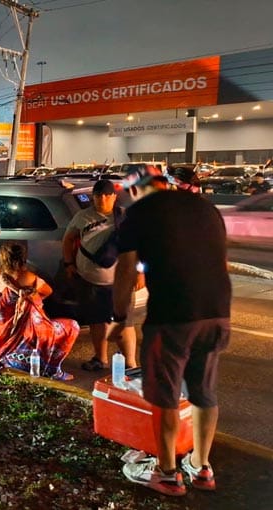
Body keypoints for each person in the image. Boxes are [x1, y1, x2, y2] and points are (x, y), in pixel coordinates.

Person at [115, 166, 231, 496]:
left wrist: (118, 315)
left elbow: (126, 269)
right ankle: (201, 466)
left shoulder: (139, 213)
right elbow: (220, 260)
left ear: (134, 190)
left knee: (164, 395)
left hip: (172, 315)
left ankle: (166, 474)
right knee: (203, 391)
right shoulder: (205, 208)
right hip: (216, 312)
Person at [0, 243, 79, 380]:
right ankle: (52, 370)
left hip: (0, 329)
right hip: (25, 331)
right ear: (22, 259)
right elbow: (48, 291)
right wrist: (32, 300)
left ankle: (10, 358)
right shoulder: (28, 277)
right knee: (72, 326)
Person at [62, 179, 137, 371]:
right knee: (96, 320)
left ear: (113, 196)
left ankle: (130, 363)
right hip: (90, 279)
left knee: (125, 322)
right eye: (97, 196)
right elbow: (68, 240)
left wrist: (139, 273)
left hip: (120, 281)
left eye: (106, 195)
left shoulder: (125, 218)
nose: (101, 199)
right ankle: (100, 358)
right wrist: (69, 263)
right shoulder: (82, 216)